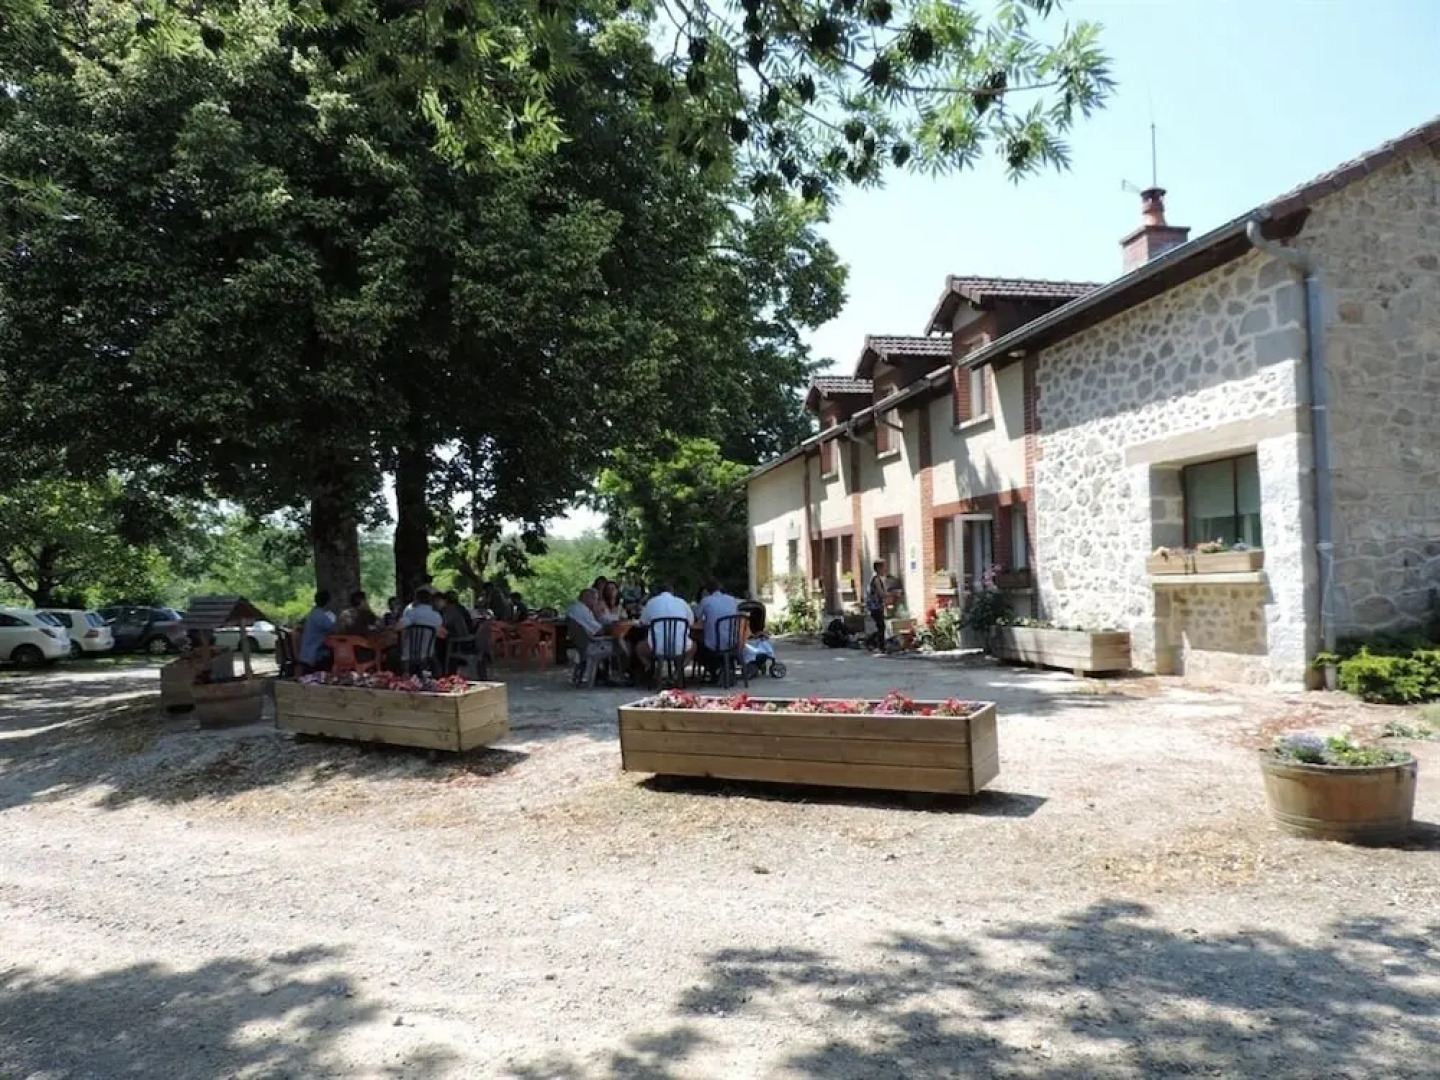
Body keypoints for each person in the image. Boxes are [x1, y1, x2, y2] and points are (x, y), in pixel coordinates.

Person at [637, 582, 696, 671]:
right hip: (680, 646)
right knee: (693, 646)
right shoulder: (682, 602)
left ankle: (651, 668)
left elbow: (643, 622)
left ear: (657, 592)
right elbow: (691, 622)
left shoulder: (652, 602)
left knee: (639, 648)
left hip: (656, 647)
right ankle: (679, 670)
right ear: (672, 591)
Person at [696, 579, 741, 679]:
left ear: (706, 591)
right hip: (732, 642)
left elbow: (697, 615)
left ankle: (714, 671)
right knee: (720, 642)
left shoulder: (706, 601)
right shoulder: (732, 600)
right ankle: (726, 668)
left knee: (698, 647)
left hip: (714, 645)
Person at [399, 586, 445, 668]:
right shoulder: (436, 615)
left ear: (416, 599)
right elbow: (441, 634)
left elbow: (398, 627)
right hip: (428, 652)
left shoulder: (410, 613)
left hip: (409, 653)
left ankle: (405, 672)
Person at [298, 589, 337, 673]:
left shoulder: (314, 613)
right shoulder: (320, 616)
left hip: (307, 652)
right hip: (314, 653)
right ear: (328, 602)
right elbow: (334, 629)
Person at [866, 560, 889, 650]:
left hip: (875, 606)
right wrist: (892, 594)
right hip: (875, 606)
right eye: (883, 567)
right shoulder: (876, 580)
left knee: (880, 626)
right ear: (879, 568)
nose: (885, 569)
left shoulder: (876, 578)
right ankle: (880, 646)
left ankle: (873, 643)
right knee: (881, 626)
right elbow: (881, 593)